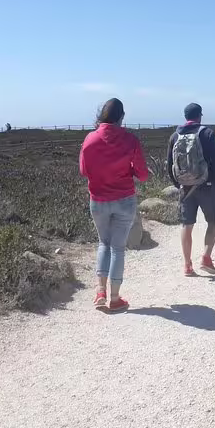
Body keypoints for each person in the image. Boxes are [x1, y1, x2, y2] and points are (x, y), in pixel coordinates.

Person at [80, 98, 149, 312]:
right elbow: (143, 175)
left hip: (98, 200)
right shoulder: (130, 140)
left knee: (104, 243)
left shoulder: (90, 139)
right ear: (121, 117)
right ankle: (115, 298)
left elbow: (83, 170)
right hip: (124, 200)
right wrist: (129, 172)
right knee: (118, 248)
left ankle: (100, 292)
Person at [167, 103, 215, 276]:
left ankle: (187, 265)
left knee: (186, 225)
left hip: (185, 188)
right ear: (200, 115)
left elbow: (169, 164)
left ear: (185, 116)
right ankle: (206, 257)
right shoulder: (207, 133)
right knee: (212, 222)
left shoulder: (174, 136)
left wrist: (179, 184)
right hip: (206, 186)